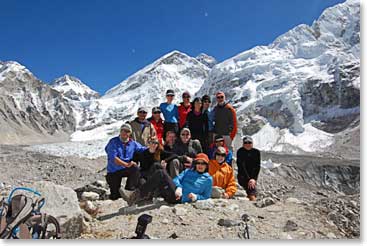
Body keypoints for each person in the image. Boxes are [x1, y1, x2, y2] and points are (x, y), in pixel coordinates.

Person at [122, 153, 212, 205]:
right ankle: (147, 195)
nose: (200, 166)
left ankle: (135, 196)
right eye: (198, 163)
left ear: (206, 166)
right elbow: (176, 179)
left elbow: (206, 196)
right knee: (156, 166)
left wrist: (196, 197)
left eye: (203, 163)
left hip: (178, 198)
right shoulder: (188, 171)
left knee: (161, 173)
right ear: (195, 164)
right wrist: (179, 187)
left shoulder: (208, 179)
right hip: (174, 191)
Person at [104, 123, 147, 200]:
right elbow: (113, 158)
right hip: (114, 171)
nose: (125, 133)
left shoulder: (132, 143)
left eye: (127, 131)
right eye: (123, 130)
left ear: (130, 133)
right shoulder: (113, 142)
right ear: (120, 131)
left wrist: (153, 146)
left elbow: (143, 149)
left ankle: (129, 190)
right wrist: (126, 164)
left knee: (135, 168)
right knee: (115, 196)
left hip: (125, 169)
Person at [236, 136, 261, 201]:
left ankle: (252, 198)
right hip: (243, 176)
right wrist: (249, 179)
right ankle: (253, 200)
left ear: (252, 144)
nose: (247, 144)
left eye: (249, 142)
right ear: (243, 144)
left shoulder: (256, 152)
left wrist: (253, 179)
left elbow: (257, 166)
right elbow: (241, 167)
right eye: (245, 142)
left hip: (252, 177)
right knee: (250, 188)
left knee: (251, 187)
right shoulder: (240, 151)